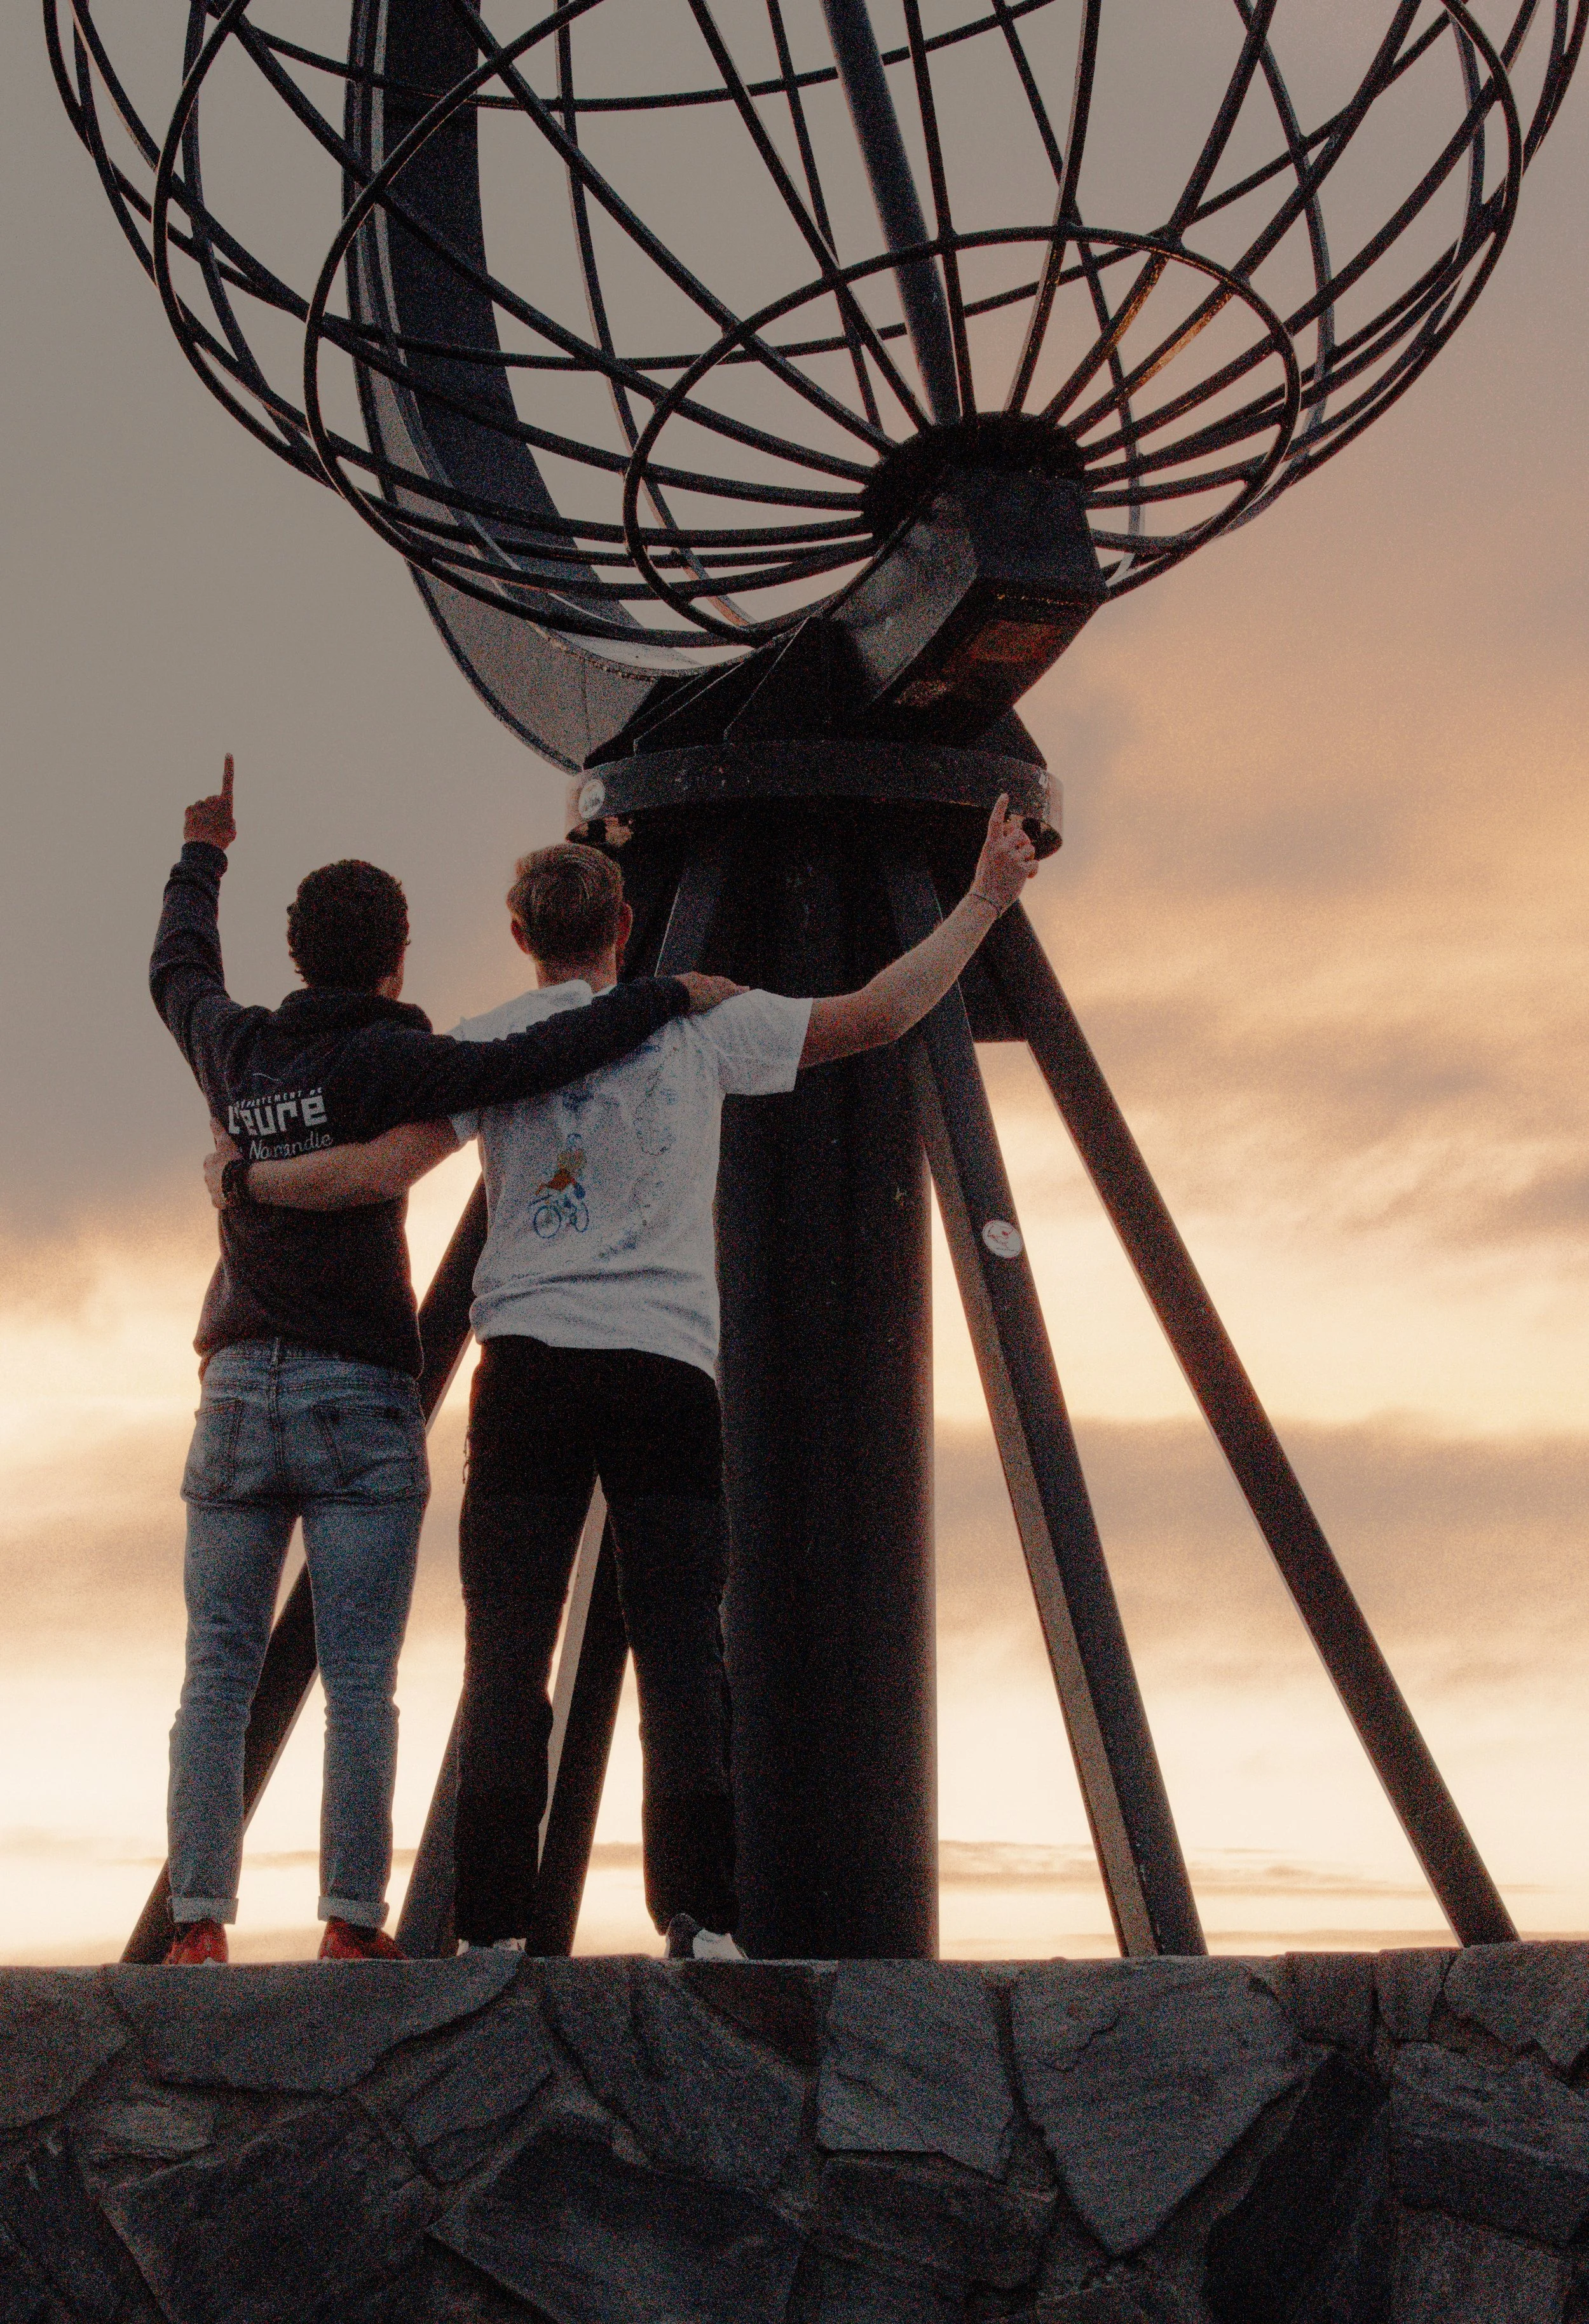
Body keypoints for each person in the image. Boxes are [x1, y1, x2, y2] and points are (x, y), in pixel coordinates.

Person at [211, 796, 1039, 1960]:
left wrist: (251, 1183)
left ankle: (495, 1930)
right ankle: (698, 1921)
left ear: (520, 935)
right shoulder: (702, 1028)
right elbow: (878, 1016)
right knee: (682, 1655)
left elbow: (390, 1166)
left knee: (508, 1648)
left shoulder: (493, 1040)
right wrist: (986, 899)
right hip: (661, 1370)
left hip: (529, 1370)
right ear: (627, 925)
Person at [153, 756, 738, 1965]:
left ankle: (201, 1924)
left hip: (234, 1383)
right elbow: (528, 1061)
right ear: (395, 961)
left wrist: (202, 854)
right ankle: (350, 1923)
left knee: (216, 1665)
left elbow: (177, 973)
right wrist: (666, 994)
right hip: (361, 1385)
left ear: (300, 952)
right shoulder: (394, 1058)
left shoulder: (234, 1050)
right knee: (361, 1678)